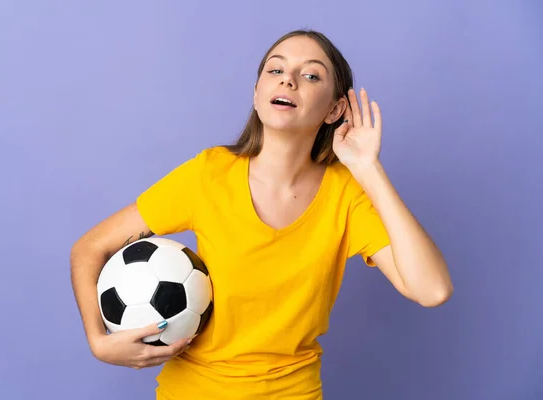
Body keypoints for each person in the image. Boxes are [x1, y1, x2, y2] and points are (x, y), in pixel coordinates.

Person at [70, 29, 453, 400]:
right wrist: (99, 342)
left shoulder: (345, 194)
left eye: (311, 75)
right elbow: (90, 248)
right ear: (257, 94)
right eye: (276, 69)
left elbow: (432, 289)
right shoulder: (210, 174)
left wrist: (368, 169)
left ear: (335, 109)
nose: (288, 80)